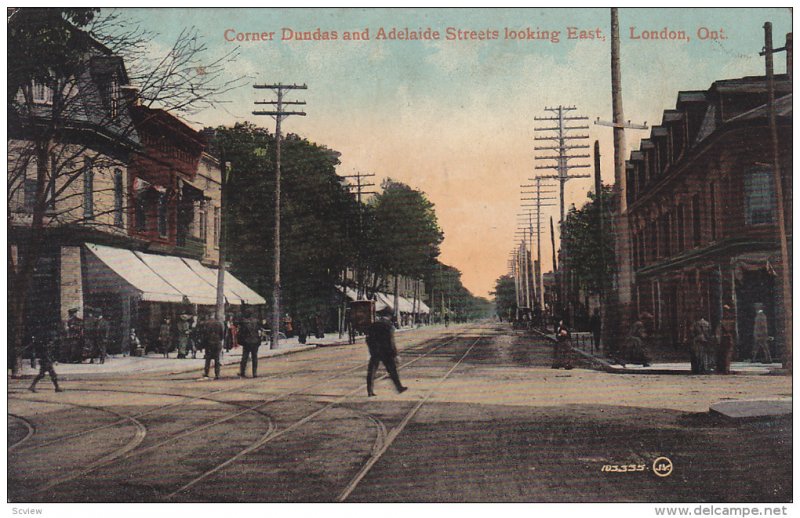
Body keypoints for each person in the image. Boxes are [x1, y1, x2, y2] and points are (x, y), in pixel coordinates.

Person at [365, 317, 408, 396]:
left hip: (376, 351)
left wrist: (372, 350)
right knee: (393, 371)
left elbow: (368, 339)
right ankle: (399, 387)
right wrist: (395, 354)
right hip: (386, 352)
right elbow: (391, 341)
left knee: (371, 371)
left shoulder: (373, 325)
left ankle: (369, 391)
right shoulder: (388, 326)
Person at [29, 322, 63, 393]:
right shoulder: (48, 345)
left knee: (42, 375)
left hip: (46, 360)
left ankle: (32, 386)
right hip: (46, 361)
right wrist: (52, 360)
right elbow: (47, 354)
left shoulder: (47, 344)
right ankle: (57, 388)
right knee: (52, 374)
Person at [199, 311, 225, 380]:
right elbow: (222, 334)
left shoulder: (206, 323)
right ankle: (217, 374)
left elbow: (203, 334)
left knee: (208, 359)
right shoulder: (219, 323)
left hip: (208, 343)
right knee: (217, 359)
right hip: (217, 343)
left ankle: (206, 373)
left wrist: (203, 344)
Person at [238, 307, 262, 378]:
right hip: (255, 341)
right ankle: (254, 373)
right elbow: (259, 330)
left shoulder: (244, 322)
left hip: (247, 342)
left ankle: (242, 372)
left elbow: (241, 333)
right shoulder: (256, 321)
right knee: (255, 357)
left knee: (245, 357)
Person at [715, 304, 735, 374]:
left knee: (725, 354)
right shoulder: (732, 320)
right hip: (728, 338)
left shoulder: (723, 320)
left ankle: (724, 369)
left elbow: (719, 330)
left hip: (724, 338)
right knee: (727, 355)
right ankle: (726, 369)